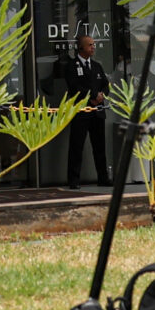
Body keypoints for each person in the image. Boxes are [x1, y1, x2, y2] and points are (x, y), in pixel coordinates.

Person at [55, 30, 112, 190]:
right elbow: (75, 87)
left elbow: (105, 84)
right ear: (81, 48)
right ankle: (73, 180)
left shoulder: (97, 65)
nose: (93, 47)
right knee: (76, 146)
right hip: (81, 112)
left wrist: (101, 96)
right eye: (90, 45)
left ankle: (103, 178)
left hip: (98, 111)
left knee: (99, 147)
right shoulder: (72, 66)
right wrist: (92, 96)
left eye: (94, 45)